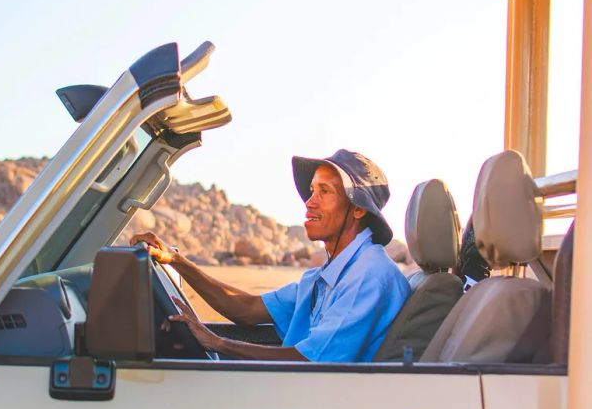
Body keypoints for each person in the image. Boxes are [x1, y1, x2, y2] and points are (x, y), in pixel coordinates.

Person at [131, 149, 411, 362]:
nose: (310, 201)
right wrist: (177, 261)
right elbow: (246, 309)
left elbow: (310, 362)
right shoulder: (326, 276)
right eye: (312, 190)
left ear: (358, 209)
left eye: (325, 191)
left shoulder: (369, 275)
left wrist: (218, 343)